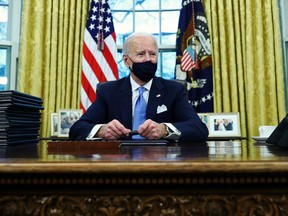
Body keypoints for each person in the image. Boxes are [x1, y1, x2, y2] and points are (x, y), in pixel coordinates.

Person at [69, 32, 209, 142]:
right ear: (126, 60)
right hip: (119, 161)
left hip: (161, 162)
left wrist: (165, 129)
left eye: (152, 54)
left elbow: (199, 129)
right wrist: (102, 130)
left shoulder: (173, 90)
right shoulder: (108, 91)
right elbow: (77, 129)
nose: (148, 59)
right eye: (141, 54)